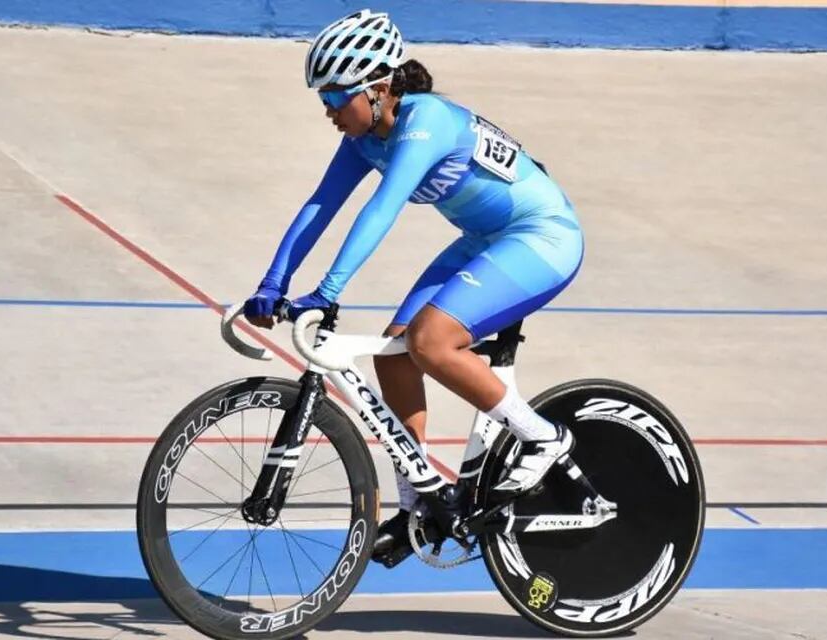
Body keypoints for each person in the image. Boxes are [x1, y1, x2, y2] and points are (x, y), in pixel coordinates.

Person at [243, 9, 584, 567]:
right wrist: (273, 282)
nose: (328, 111)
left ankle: (543, 438)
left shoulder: (425, 122)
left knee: (429, 342)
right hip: (486, 238)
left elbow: (383, 208)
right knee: (395, 355)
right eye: (322, 100)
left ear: (378, 88)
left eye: (335, 98)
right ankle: (419, 502)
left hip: (543, 238)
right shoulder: (363, 138)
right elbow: (320, 206)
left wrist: (327, 290)